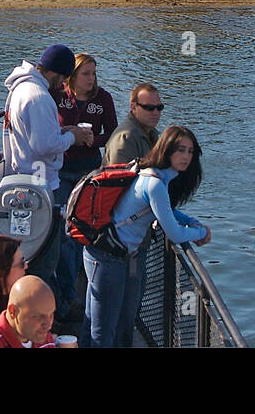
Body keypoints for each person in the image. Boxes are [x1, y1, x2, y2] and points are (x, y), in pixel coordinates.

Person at [83, 125, 210, 348]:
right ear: (167, 149)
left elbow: (164, 211)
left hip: (103, 251)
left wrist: (189, 220)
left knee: (95, 321)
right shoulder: (156, 184)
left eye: (190, 151)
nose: (186, 157)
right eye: (181, 150)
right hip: (107, 257)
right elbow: (174, 233)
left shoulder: (152, 173)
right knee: (103, 332)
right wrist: (201, 232)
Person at [2, 44, 93, 292]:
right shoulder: (39, 97)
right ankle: (49, 312)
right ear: (54, 72)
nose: (63, 84)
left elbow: (36, 135)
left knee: (28, 251)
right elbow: (43, 146)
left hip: (20, 179)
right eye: (63, 78)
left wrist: (64, 131)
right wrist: (73, 138)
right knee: (46, 256)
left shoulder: (20, 89)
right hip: (39, 187)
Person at [53, 53, 117, 319]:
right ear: (73, 76)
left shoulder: (103, 99)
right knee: (66, 233)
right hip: (62, 170)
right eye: (85, 74)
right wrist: (69, 134)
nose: (91, 79)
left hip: (89, 171)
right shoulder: (59, 97)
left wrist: (93, 139)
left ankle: (84, 283)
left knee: (86, 229)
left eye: (93, 73)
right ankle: (68, 295)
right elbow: (48, 131)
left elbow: (112, 132)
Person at [0, 275, 57, 348]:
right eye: (39, 316)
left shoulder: (42, 336)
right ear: (13, 311)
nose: (48, 324)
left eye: (51, 314)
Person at [102, 82, 164, 167]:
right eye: (149, 108)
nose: (155, 112)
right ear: (134, 107)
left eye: (159, 107)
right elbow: (119, 177)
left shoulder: (151, 133)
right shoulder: (125, 138)